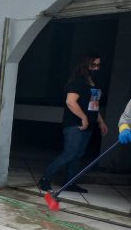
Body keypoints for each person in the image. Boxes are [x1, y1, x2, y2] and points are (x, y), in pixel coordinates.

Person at [38, 55, 108, 194]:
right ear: (85, 65)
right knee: (70, 153)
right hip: (75, 125)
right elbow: (70, 102)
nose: (96, 68)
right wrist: (84, 118)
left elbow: (94, 105)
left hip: (89, 124)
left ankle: (70, 182)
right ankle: (46, 178)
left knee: (78, 155)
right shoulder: (77, 82)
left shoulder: (94, 83)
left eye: (98, 65)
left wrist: (101, 122)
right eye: (93, 65)